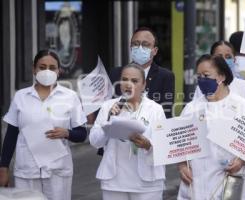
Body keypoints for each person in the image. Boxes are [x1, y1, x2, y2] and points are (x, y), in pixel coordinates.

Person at [0, 50, 87, 200]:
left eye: (52, 68)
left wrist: (67, 133)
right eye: (42, 67)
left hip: (58, 171)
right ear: (34, 69)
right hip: (27, 171)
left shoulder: (70, 97)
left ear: (59, 71)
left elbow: (82, 134)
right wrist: (3, 168)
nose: (47, 71)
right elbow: (11, 135)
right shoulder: (21, 97)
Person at [177, 54, 245, 200]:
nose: (202, 80)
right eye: (199, 76)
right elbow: (179, 145)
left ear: (221, 76)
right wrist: (182, 166)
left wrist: (241, 162)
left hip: (230, 182)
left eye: (206, 75)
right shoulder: (191, 108)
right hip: (196, 183)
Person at [89, 63, 166, 200]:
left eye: (134, 81)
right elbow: (95, 141)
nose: (128, 84)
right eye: (125, 79)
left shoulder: (156, 109)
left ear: (143, 85)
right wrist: (109, 120)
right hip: (114, 182)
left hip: (147, 183)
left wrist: (148, 145)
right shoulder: (108, 106)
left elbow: (164, 148)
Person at [109, 27, 175, 118]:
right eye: (135, 44)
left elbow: (166, 113)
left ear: (155, 51)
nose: (140, 48)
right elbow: (110, 107)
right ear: (131, 48)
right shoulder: (115, 73)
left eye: (145, 45)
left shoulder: (165, 76)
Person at [193, 40, 245, 113]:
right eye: (219, 57)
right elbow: (194, 114)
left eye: (228, 57)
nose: (224, 60)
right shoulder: (202, 87)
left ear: (234, 60)